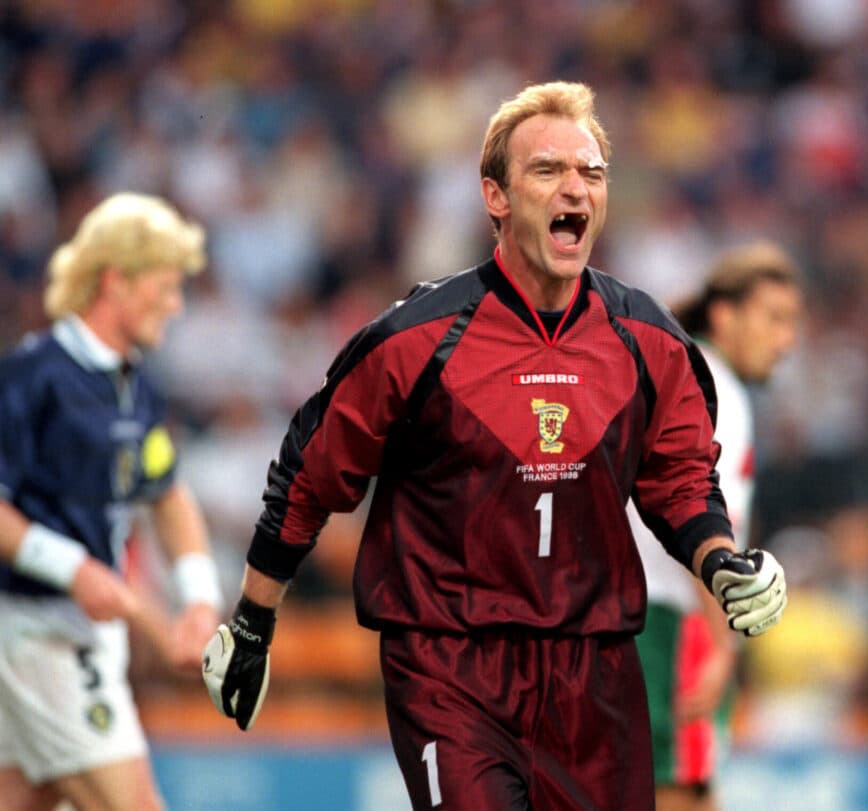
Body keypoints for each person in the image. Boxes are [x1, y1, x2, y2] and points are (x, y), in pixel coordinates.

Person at [202, 81, 787, 811]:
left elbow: (681, 483)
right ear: (496, 196)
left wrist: (720, 560)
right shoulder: (412, 341)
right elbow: (309, 476)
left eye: (592, 173)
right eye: (548, 170)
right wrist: (254, 622)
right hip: (449, 662)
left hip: (595, 667)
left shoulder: (651, 343)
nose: (575, 186)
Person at [0, 192, 224, 811]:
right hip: (40, 628)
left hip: (83, 633)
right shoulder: (33, 378)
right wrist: (73, 570)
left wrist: (199, 600)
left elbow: (168, 494)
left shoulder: (135, 386)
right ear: (116, 281)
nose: (175, 305)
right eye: (166, 286)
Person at [630, 241, 804, 811]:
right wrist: (722, 648)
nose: (786, 340)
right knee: (683, 790)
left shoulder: (679, 369)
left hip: (638, 612)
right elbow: (707, 523)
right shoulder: (716, 391)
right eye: (774, 319)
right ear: (725, 314)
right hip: (674, 624)